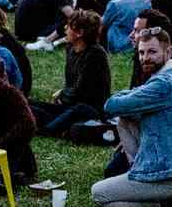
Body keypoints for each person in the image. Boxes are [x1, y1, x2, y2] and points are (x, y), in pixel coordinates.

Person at [93, 28, 172, 207]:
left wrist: (129, 94)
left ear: (168, 52)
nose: (145, 58)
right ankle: (144, 179)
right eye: (141, 52)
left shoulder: (163, 84)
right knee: (125, 119)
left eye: (152, 52)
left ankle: (167, 201)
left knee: (99, 193)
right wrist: (134, 94)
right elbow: (126, 107)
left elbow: (111, 105)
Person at [34, 9, 113, 137]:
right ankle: (51, 123)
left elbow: (82, 92)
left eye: (69, 26)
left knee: (79, 109)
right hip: (70, 104)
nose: (65, 28)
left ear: (80, 33)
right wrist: (63, 95)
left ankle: (46, 130)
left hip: (89, 109)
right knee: (31, 103)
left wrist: (62, 96)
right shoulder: (71, 49)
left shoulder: (95, 54)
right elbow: (71, 84)